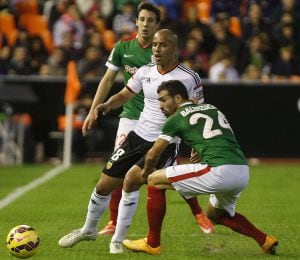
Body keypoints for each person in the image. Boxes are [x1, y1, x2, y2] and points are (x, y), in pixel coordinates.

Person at [58, 29, 212, 254]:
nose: (157, 49)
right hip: (137, 136)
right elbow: (125, 94)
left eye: (163, 45)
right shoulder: (145, 71)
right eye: (155, 46)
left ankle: (117, 242)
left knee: (131, 180)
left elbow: (196, 113)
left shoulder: (189, 77)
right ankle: (88, 230)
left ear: (174, 48)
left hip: (165, 141)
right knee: (103, 185)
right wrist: (108, 104)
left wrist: (197, 144)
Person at [123, 80, 279, 255]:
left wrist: (145, 173)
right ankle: (265, 240)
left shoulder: (176, 118)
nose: (160, 106)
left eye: (163, 100)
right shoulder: (212, 108)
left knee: (154, 180)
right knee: (216, 215)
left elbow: (153, 154)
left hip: (219, 170)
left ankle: (152, 244)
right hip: (242, 170)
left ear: (178, 98)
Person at [81, 2, 161, 236]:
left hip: (156, 120)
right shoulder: (122, 47)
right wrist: (93, 110)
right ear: (136, 21)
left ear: (157, 25)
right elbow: (107, 80)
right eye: (142, 19)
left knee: (160, 174)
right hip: (130, 117)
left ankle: (198, 213)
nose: (146, 24)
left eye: (151, 20)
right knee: (118, 168)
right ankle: (113, 222)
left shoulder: (161, 50)